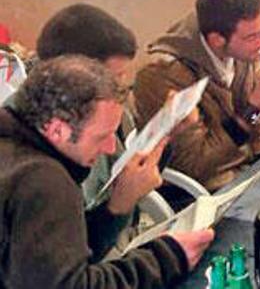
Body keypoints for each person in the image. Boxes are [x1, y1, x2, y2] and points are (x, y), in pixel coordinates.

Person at [0, 55, 214, 288]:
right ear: (57, 130)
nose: (111, 147)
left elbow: (54, 260)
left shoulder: (15, 150)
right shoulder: (42, 180)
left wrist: (117, 207)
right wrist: (168, 257)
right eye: (102, 136)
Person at [31, 4, 174, 260]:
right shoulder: (37, 159)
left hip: (123, 242)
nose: (121, 89)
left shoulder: (107, 110)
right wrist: (118, 206)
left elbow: (128, 175)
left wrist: (166, 135)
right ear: (75, 77)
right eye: (114, 76)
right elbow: (70, 265)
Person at [133, 0, 260, 192]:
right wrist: (254, 107)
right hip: (204, 186)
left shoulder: (244, 51)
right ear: (216, 40)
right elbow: (195, 164)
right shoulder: (164, 76)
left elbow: (258, 124)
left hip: (242, 167)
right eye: (252, 36)